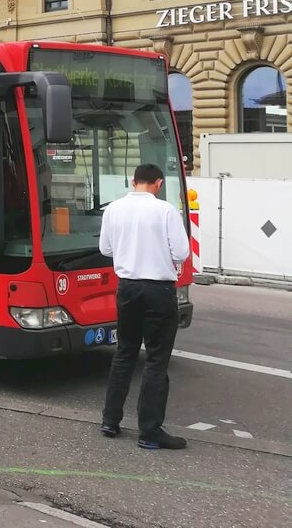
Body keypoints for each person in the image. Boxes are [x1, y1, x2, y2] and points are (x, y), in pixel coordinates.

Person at [98, 163, 191, 450]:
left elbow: (106, 249)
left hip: (127, 289)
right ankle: (150, 431)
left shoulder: (113, 209)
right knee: (155, 359)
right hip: (158, 291)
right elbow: (182, 252)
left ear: (132, 180)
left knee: (124, 353)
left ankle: (110, 421)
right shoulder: (164, 211)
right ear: (159, 183)